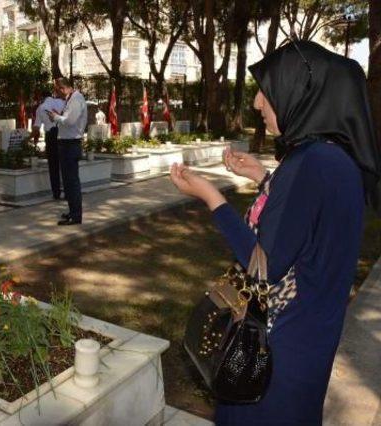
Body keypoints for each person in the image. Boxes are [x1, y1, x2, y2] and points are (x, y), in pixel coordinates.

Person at [170, 40, 380, 425]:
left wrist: (210, 197)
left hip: (273, 358)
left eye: (266, 92)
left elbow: (262, 265)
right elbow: (309, 228)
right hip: (310, 346)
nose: (257, 104)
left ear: (299, 92)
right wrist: (265, 178)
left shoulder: (311, 163)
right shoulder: (334, 158)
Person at [48, 78, 87, 226]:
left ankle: (76, 216)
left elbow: (70, 121)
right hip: (66, 144)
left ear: (63, 88)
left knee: (71, 182)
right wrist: (59, 116)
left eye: (56, 90)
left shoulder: (76, 99)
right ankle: (72, 212)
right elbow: (68, 119)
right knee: (68, 182)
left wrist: (56, 117)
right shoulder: (71, 99)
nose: (56, 93)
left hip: (71, 144)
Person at [32, 89, 66, 200]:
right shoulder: (61, 102)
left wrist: (31, 139)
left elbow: (36, 129)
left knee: (53, 166)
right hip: (63, 134)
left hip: (51, 136)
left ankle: (56, 193)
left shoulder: (40, 108)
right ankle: (68, 191)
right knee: (65, 165)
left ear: (42, 98)